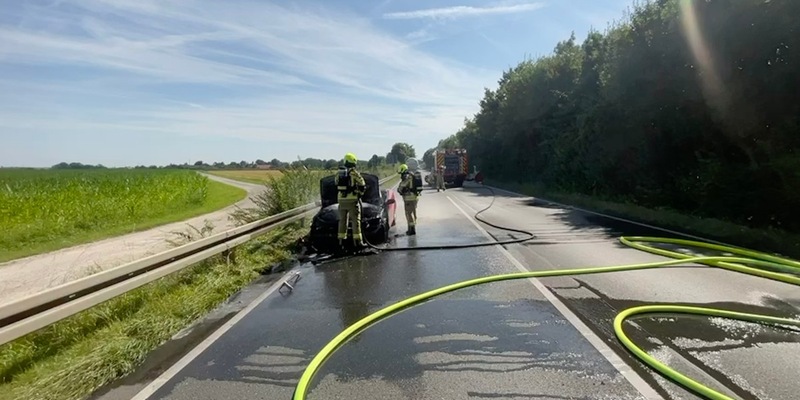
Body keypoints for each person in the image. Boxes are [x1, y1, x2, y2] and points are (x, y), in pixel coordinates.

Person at [336, 152, 366, 248]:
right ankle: (357, 242)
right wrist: (359, 194)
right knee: (355, 220)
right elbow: (362, 184)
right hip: (352, 200)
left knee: (342, 221)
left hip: (341, 200)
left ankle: (341, 242)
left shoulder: (339, 173)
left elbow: (336, 183)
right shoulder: (354, 173)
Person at [397, 164, 421, 235]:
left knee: (408, 213)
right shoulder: (412, 175)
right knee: (413, 212)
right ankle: (411, 227)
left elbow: (402, 186)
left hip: (408, 198)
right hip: (415, 197)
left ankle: (412, 229)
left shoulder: (407, 176)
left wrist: (399, 190)